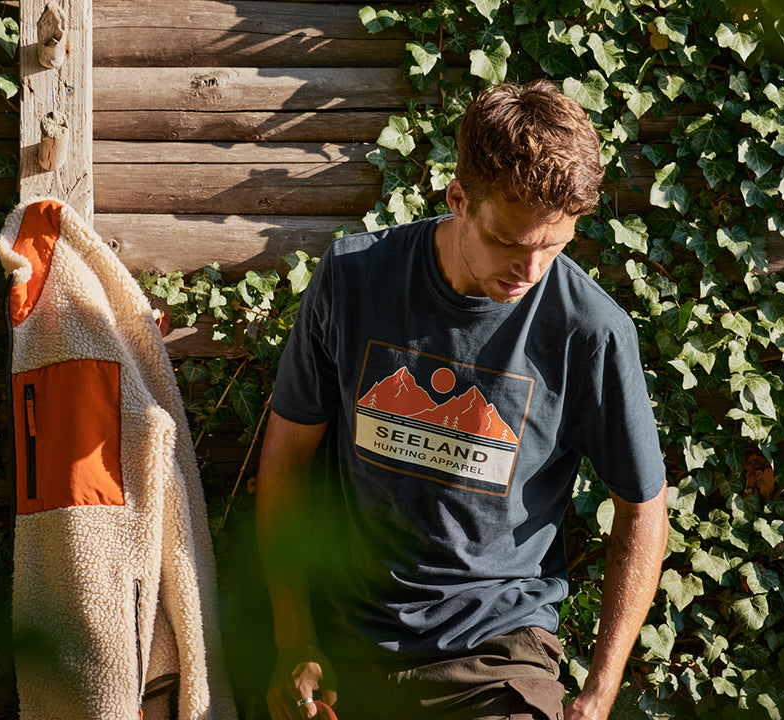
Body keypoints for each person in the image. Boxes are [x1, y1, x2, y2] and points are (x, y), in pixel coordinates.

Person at [255, 79, 669, 720]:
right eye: (510, 242)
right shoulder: (353, 280)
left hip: (496, 653)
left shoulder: (590, 330)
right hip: (346, 643)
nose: (530, 271)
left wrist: (598, 691)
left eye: (553, 246)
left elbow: (643, 510)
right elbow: (285, 460)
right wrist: (294, 640)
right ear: (458, 199)